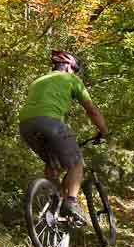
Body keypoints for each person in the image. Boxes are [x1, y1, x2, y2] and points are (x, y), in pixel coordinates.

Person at [19, 50, 108, 224]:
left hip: (26, 125)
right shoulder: (72, 79)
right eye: (74, 69)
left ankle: (52, 202)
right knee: (76, 164)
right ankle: (71, 203)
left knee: (53, 165)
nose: (74, 73)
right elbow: (91, 111)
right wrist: (104, 131)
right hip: (50, 123)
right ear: (68, 67)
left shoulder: (39, 80)